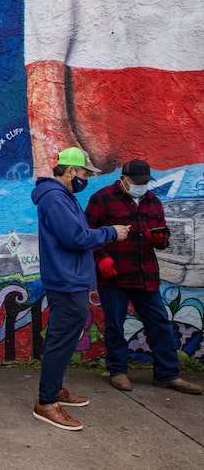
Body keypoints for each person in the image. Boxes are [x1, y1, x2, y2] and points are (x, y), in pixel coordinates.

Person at [30, 147, 129, 431]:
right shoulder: (54, 199)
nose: (86, 179)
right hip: (66, 280)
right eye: (84, 173)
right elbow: (75, 237)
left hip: (71, 278)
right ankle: (46, 402)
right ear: (70, 171)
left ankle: (55, 389)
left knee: (65, 336)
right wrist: (112, 232)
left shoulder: (62, 197)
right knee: (61, 339)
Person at [85, 159, 202, 395]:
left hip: (145, 275)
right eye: (137, 182)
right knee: (116, 325)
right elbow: (87, 233)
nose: (142, 186)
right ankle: (118, 371)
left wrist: (161, 240)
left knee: (160, 323)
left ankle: (167, 374)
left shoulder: (153, 202)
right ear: (124, 180)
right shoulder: (102, 199)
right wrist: (101, 258)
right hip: (113, 276)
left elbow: (163, 234)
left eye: (145, 182)